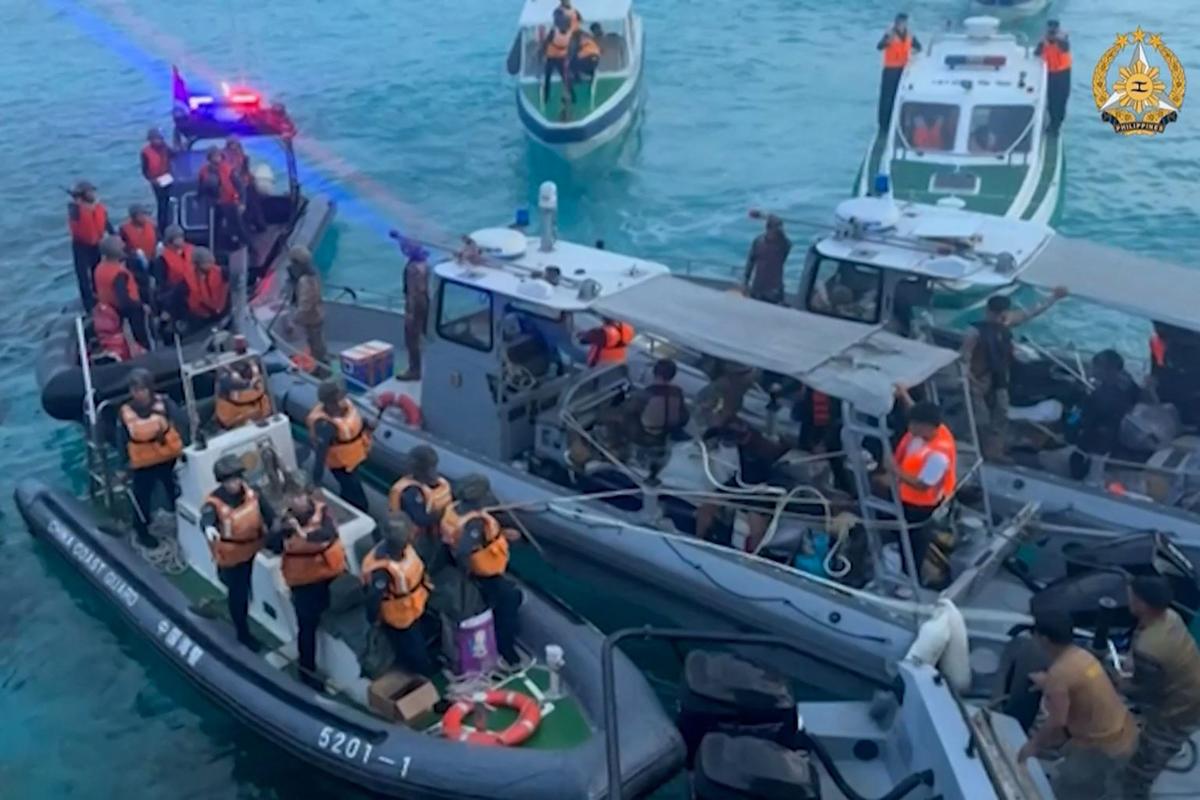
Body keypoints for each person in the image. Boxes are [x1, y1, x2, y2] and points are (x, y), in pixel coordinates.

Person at [1017, 610, 1137, 797]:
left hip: (1100, 746)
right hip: (1123, 732)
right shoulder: (1082, 656)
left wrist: (1033, 745)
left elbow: (1057, 722)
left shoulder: (1060, 674)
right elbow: (1079, 682)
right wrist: (1049, 683)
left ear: (1045, 639)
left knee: (1066, 791)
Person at [960, 288, 1068, 460]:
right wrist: (971, 381)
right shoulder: (975, 332)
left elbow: (1030, 312)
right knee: (980, 419)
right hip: (979, 380)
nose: (998, 318)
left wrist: (1053, 298)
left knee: (1000, 415)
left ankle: (994, 452)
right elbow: (964, 360)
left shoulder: (1005, 324)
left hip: (1000, 380)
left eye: (1001, 314)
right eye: (995, 314)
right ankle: (975, 449)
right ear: (988, 312)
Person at [1120, 576, 1200, 799]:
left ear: (1142, 605)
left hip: (1177, 713)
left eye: (1132, 596)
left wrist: (1118, 683)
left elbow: (1146, 692)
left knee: (1142, 768)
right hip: (1193, 693)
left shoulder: (1150, 648)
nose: (1128, 598)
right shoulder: (1171, 617)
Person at [440, 475, 524, 670]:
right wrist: (469, 571)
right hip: (483, 574)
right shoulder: (473, 523)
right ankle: (506, 650)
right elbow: (464, 549)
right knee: (510, 600)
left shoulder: (454, 510)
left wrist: (501, 533)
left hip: (472, 567)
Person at [270, 474, 345, 688]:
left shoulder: (324, 513)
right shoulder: (284, 521)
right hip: (304, 583)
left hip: (331, 575)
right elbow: (272, 544)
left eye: (300, 496)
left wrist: (301, 533)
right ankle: (307, 672)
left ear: (307, 495)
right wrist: (282, 531)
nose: (296, 501)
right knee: (307, 627)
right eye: (292, 497)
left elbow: (328, 533)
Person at [200, 454, 273, 651]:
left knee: (245, 584)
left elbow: (269, 515)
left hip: (252, 547)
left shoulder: (253, 492)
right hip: (232, 558)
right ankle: (243, 633)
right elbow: (206, 517)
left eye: (235, 478)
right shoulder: (214, 503)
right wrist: (208, 528)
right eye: (228, 481)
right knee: (238, 594)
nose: (233, 484)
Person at [694, 418, 793, 550]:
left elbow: (778, 452)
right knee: (706, 508)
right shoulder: (729, 438)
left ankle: (753, 557)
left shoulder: (761, 442)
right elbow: (709, 437)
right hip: (739, 482)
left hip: (761, 486)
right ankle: (697, 542)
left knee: (756, 526)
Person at [888, 387, 956, 571]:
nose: (909, 428)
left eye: (913, 424)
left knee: (912, 543)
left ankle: (910, 578)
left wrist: (895, 471)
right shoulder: (932, 428)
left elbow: (923, 485)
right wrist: (903, 395)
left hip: (919, 506)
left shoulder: (938, 455)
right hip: (903, 494)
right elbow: (915, 409)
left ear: (926, 426)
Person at [117, 369, 184, 549]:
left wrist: (184, 448)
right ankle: (142, 531)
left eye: (141, 389)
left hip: (167, 457)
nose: (137, 393)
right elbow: (122, 439)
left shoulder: (166, 404)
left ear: (150, 389)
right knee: (142, 498)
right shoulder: (126, 412)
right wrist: (123, 465)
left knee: (176, 491)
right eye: (134, 389)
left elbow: (181, 422)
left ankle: (183, 524)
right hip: (143, 463)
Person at [362, 515, 437, 678]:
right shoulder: (382, 570)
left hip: (417, 604)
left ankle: (430, 659)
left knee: (426, 632)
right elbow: (373, 596)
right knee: (413, 650)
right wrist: (374, 619)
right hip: (399, 617)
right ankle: (424, 678)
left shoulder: (406, 550)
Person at [1072, 349, 1140, 479]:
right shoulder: (1129, 385)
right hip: (1116, 441)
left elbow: (1080, 416)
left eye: (1097, 366)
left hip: (1097, 446)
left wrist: (1071, 422)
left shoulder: (1098, 396)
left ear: (1109, 369)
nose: (1093, 369)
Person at [307, 380, 371, 513]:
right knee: (356, 495)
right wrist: (316, 481)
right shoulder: (325, 425)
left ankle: (349, 506)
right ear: (330, 402)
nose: (343, 400)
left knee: (351, 489)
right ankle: (359, 513)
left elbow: (355, 424)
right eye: (339, 398)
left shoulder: (346, 408)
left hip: (354, 459)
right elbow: (320, 453)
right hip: (342, 466)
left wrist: (366, 425)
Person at [94, 235, 151, 349]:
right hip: (129, 314)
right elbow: (123, 300)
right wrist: (141, 306)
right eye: (121, 246)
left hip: (109, 311)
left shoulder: (100, 268)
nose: (124, 247)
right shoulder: (119, 273)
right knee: (142, 339)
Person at [388, 445, 453, 539]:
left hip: (433, 534)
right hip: (412, 536)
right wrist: (442, 512)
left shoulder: (440, 484)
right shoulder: (409, 491)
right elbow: (420, 519)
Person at [67, 180, 112, 310]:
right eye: (90, 192)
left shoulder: (98, 206)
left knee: (96, 271)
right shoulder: (75, 208)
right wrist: (78, 200)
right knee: (83, 277)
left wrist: (113, 234)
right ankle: (89, 306)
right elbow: (75, 213)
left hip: (96, 244)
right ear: (83, 194)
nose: (93, 194)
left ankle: (100, 297)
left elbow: (105, 221)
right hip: (81, 246)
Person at [198, 146, 250, 254]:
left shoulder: (229, 169)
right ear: (209, 158)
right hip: (214, 203)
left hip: (229, 202)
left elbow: (240, 186)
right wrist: (199, 199)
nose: (216, 158)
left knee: (237, 226)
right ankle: (216, 250)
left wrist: (242, 203)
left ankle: (247, 247)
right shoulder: (203, 171)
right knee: (214, 228)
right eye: (213, 156)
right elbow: (200, 188)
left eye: (218, 156)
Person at [877, 13, 921, 131]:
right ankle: (884, 125)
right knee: (887, 98)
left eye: (904, 22)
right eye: (900, 22)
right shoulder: (890, 34)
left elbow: (918, 46)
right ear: (896, 23)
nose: (902, 25)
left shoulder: (909, 34)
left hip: (903, 69)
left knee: (899, 96)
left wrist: (914, 55)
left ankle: (896, 120)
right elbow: (879, 47)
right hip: (890, 69)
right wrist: (887, 41)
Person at [287, 246, 329, 367]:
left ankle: (321, 366)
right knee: (317, 341)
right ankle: (321, 362)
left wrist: (294, 320)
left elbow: (305, 304)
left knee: (316, 344)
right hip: (317, 313)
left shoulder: (305, 280)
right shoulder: (314, 275)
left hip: (312, 317)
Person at [742, 215, 791, 304]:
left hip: (774, 290)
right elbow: (750, 262)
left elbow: (787, 248)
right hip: (758, 287)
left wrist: (764, 216)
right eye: (776, 230)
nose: (778, 233)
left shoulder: (783, 244)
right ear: (768, 229)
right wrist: (745, 282)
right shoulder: (758, 242)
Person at [1035, 20, 1071, 135]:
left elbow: (1064, 47)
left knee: (1060, 100)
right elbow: (1037, 52)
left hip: (1062, 74)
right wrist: (1042, 41)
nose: (1051, 31)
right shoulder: (1044, 40)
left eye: (1053, 29)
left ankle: (1056, 125)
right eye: (1049, 28)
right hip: (1049, 73)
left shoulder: (1062, 39)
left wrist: (1054, 37)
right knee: (1050, 100)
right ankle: (1051, 122)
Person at [400, 242, 430, 380]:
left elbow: (413, 292)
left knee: (411, 338)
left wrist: (410, 313)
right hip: (425, 301)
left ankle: (414, 370)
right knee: (424, 333)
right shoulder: (424, 263)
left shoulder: (412, 268)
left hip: (416, 303)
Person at [215, 357, 272, 429]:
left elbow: (267, 413)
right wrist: (245, 419)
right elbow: (227, 423)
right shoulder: (224, 403)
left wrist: (259, 419)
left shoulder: (260, 395)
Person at [183, 247, 230, 327]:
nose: (210, 265)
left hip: (225, 312)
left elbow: (239, 278)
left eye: (211, 262)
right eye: (206, 263)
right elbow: (177, 296)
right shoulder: (188, 280)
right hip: (204, 317)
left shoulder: (221, 272)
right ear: (197, 264)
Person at [140, 128, 173, 231]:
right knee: (161, 204)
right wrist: (152, 180)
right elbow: (145, 170)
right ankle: (162, 227)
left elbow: (174, 154)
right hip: (156, 182)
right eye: (155, 139)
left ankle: (169, 222)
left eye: (159, 139)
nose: (157, 141)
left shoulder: (166, 148)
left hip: (168, 178)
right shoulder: (145, 152)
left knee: (169, 202)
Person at [542, 14, 575, 106]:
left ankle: (547, 98)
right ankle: (546, 98)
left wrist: (543, 52)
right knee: (558, 78)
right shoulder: (562, 33)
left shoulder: (558, 32)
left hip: (556, 58)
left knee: (561, 78)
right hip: (556, 58)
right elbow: (546, 42)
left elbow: (546, 43)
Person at [119, 204, 158, 271]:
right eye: (141, 215)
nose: (144, 217)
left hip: (152, 260)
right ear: (133, 217)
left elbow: (159, 242)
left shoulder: (152, 226)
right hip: (135, 264)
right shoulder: (124, 230)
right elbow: (121, 248)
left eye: (145, 214)